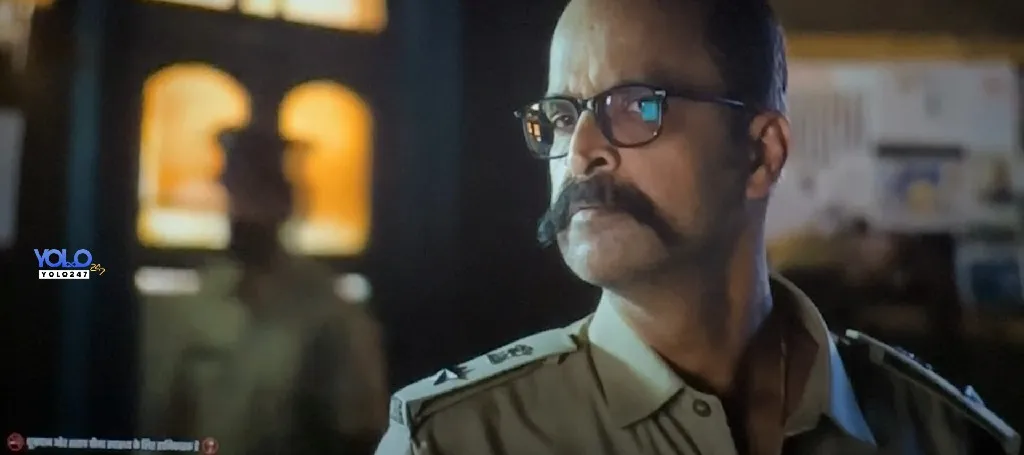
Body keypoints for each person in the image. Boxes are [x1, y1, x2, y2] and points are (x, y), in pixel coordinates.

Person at [375, 0, 1021, 454]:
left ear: (760, 153)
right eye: (564, 116)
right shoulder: (457, 439)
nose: (581, 153)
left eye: (636, 105)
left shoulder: (945, 435)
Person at [141, 125, 389, 454]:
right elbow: (163, 420)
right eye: (238, 190)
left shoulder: (330, 313)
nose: (246, 209)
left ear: (286, 202)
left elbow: (360, 431)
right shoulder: (197, 305)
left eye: (260, 192)